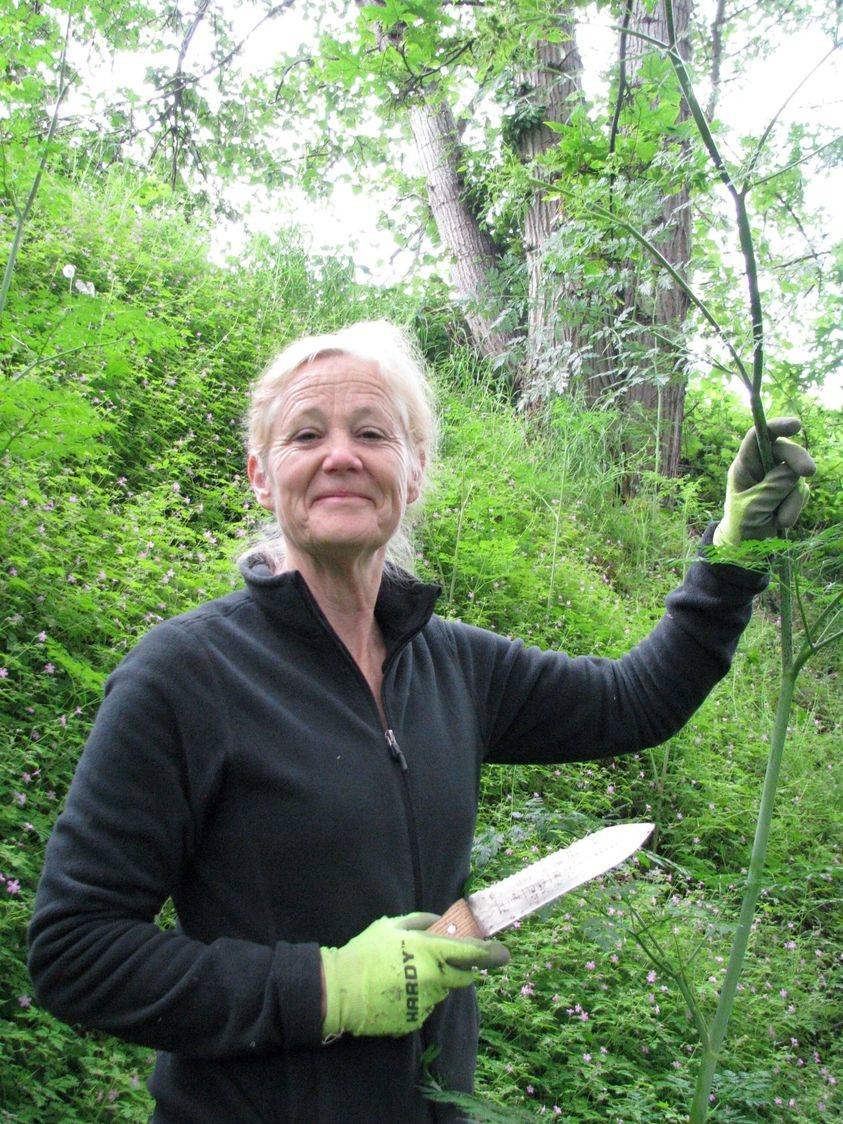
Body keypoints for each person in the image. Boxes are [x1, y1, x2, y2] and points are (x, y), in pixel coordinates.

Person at [27, 320, 815, 1123]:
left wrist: (730, 557)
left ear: (414, 471)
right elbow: (74, 952)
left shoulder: (454, 666)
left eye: (372, 432)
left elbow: (631, 702)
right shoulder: (186, 675)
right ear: (262, 477)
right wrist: (325, 990)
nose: (341, 454)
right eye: (306, 434)